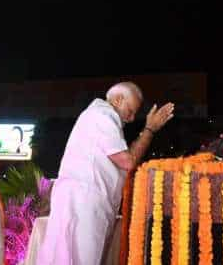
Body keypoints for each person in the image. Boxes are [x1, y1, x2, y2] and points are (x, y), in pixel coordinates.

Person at [37, 81, 175, 265]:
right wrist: (149, 129)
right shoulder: (103, 115)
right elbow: (128, 161)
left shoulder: (100, 117)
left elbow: (125, 157)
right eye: (131, 110)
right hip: (85, 202)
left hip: (84, 201)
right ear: (118, 100)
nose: (132, 118)